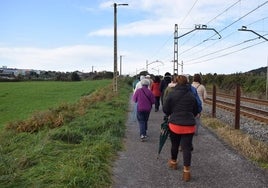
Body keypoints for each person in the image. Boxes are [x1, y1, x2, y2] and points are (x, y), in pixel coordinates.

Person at [163, 75, 198, 182]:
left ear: (177, 82)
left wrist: (171, 113)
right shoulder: (191, 95)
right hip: (189, 125)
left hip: (175, 125)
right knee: (187, 148)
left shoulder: (172, 94)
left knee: (174, 144)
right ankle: (186, 172)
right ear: (187, 83)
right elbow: (195, 110)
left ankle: (173, 162)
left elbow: (165, 109)